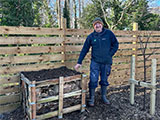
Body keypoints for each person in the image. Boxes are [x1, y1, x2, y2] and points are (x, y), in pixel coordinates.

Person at [74, 17, 119, 107]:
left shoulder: (109, 34)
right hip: (95, 62)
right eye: (95, 24)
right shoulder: (91, 37)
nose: (97, 25)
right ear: (93, 26)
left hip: (106, 62)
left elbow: (116, 44)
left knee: (104, 80)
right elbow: (84, 49)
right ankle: (91, 98)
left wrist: (109, 54)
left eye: (99, 24)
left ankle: (103, 96)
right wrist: (79, 62)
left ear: (102, 25)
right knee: (93, 80)